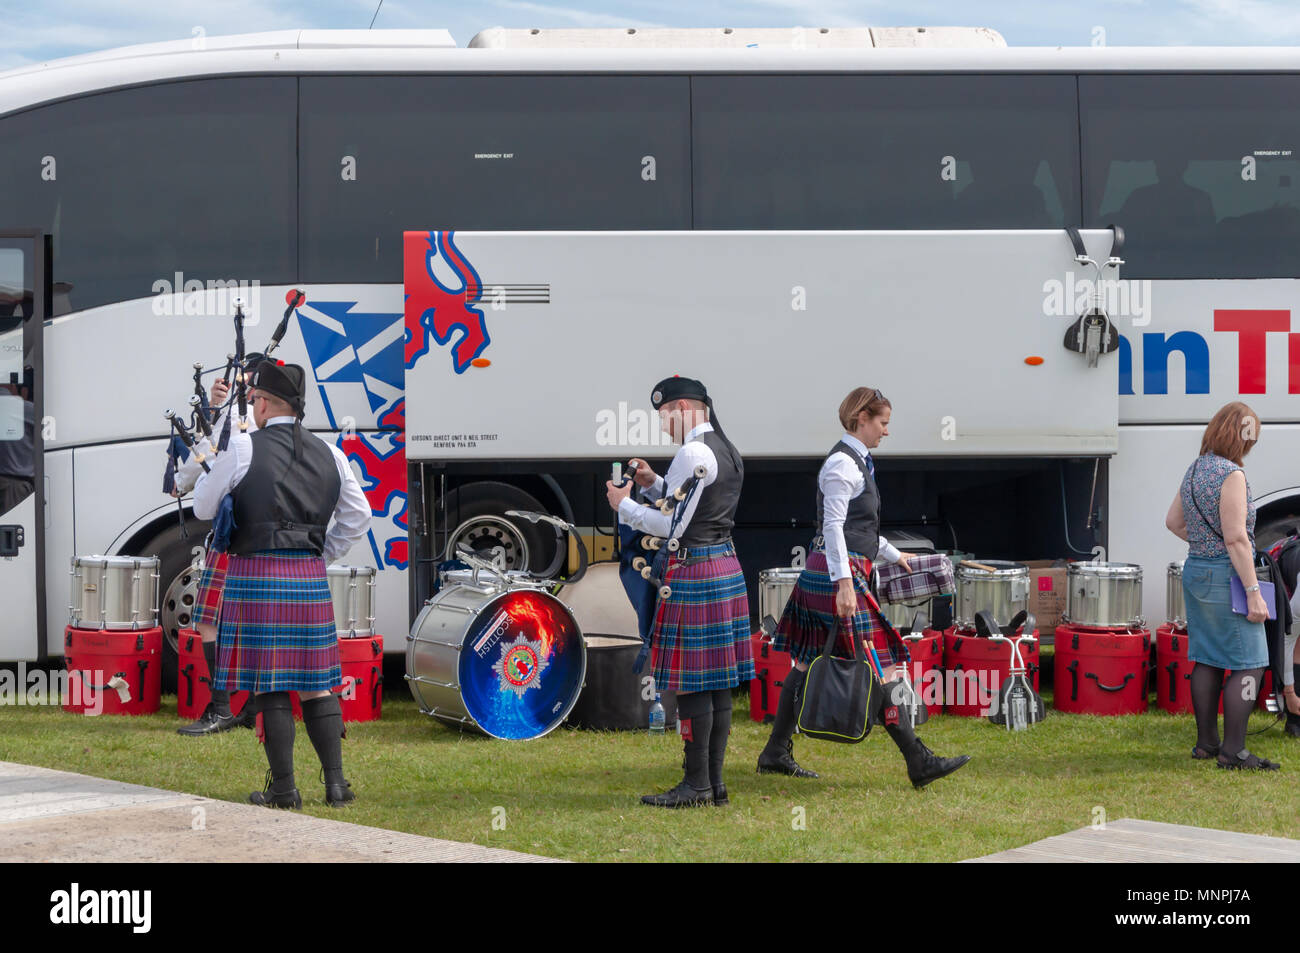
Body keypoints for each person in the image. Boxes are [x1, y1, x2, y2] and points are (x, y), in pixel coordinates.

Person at [758, 386, 971, 788]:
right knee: (884, 665)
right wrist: (844, 585)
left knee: (804, 662)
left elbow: (859, 528)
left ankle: (774, 751)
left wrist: (897, 556)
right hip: (836, 575)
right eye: (883, 423)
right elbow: (834, 528)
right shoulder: (843, 464)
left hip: (827, 572)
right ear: (861, 419)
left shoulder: (857, 461)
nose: (886, 432)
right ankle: (918, 761)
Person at [193, 361, 370, 806]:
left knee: (269, 684)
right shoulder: (332, 453)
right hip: (308, 576)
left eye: (252, 401)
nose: (250, 408)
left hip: (256, 573)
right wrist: (319, 552)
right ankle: (336, 786)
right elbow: (358, 517)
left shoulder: (243, 448)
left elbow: (201, 507)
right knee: (316, 683)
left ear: (266, 403)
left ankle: (286, 790)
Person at [605, 376, 754, 808]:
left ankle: (695, 785)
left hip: (693, 570)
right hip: (722, 563)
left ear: (683, 407)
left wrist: (625, 507)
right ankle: (714, 784)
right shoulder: (724, 448)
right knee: (718, 685)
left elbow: (671, 526)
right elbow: (681, 502)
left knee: (691, 685)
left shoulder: (693, 451)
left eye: (665, 416)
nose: (664, 426)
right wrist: (653, 483)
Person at [1165, 401, 1280, 770]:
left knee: (1207, 658)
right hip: (1226, 576)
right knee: (1250, 664)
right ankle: (1234, 751)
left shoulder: (1195, 469)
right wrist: (1252, 593)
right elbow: (1236, 540)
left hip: (1197, 570)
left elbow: (1173, 521)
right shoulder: (1232, 475)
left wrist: (1202, 542)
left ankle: (1206, 744)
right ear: (1241, 437)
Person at [173, 369, 258, 735]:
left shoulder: (240, 422)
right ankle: (251, 708)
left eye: (242, 380)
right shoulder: (268, 422)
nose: (235, 384)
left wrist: (217, 408)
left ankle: (222, 708)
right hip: (259, 536)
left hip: (232, 534)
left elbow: (201, 463)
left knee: (208, 621)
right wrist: (214, 407)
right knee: (255, 626)